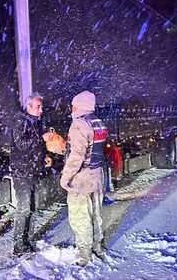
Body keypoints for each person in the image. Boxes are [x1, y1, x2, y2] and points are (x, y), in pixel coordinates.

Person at [60, 90, 107, 265]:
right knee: (96, 214)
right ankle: (97, 247)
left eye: (73, 104)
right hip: (96, 175)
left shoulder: (79, 124)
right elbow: (92, 149)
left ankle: (84, 255)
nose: (71, 108)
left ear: (80, 105)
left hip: (81, 178)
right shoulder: (98, 122)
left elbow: (77, 155)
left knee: (80, 216)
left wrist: (66, 177)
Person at [11, 92, 52, 255]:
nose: (41, 109)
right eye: (38, 106)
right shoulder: (20, 121)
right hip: (22, 172)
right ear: (28, 107)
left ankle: (27, 240)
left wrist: (46, 156)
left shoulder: (38, 122)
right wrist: (42, 138)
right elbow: (22, 145)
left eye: (41, 106)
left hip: (34, 170)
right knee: (24, 208)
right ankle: (18, 245)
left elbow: (39, 148)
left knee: (32, 207)